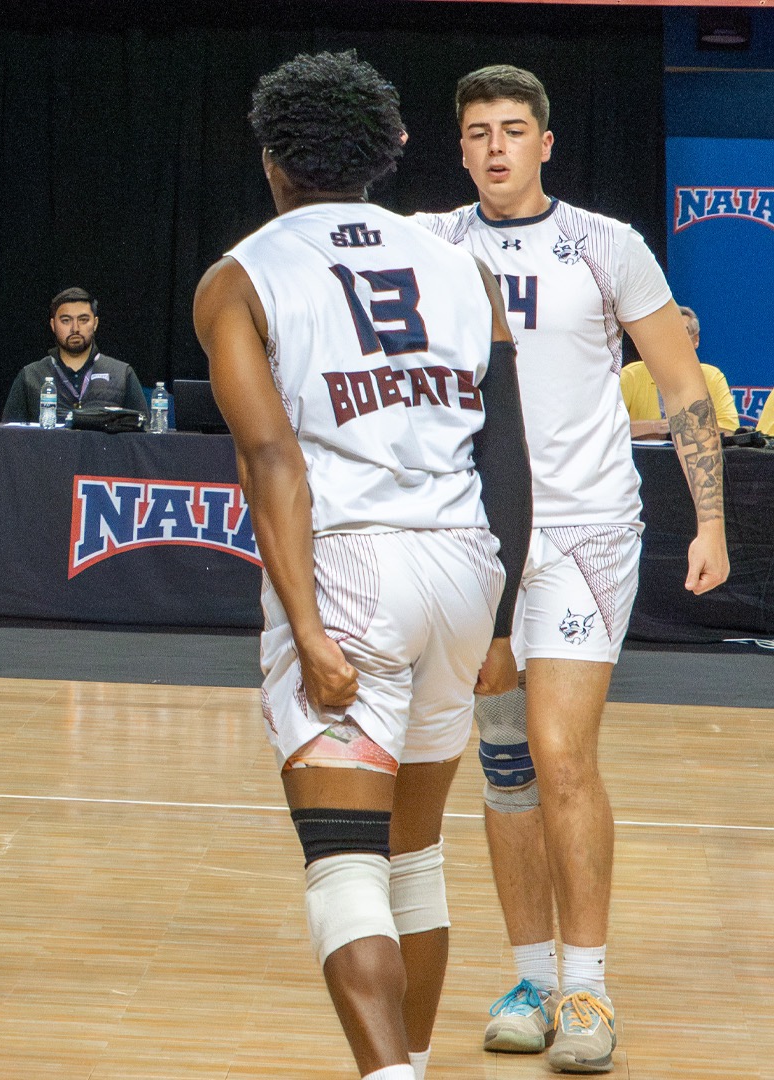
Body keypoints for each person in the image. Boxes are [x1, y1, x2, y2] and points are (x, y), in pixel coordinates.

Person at [197, 52, 533, 1080]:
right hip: (465, 564)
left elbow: (271, 462)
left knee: (345, 865)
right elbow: (507, 454)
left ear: (271, 162)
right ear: (388, 151)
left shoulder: (242, 276)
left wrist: (306, 629)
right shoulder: (460, 265)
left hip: (348, 567)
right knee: (416, 856)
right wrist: (504, 626)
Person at [414, 64, 729, 1073]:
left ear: (546, 143)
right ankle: (533, 981)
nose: (497, 145)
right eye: (478, 132)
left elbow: (682, 390)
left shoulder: (606, 247)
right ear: (459, 148)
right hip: (477, 534)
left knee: (561, 752)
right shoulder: (430, 245)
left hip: (588, 531)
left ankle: (589, 989)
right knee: (503, 758)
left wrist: (709, 523)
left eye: (514, 128)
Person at [0, 287, 148, 422]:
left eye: (83, 320)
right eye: (66, 320)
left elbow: (143, 436)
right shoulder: (31, 376)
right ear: (53, 325)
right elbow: (10, 438)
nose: (75, 328)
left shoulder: (121, 374)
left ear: (95, 324)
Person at [619, 306, 739, 436]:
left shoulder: (712, 377)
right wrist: (656, 427)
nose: (672, 341)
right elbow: (609, 427)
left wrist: (681, 428)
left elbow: (728, 430)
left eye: (681, 333)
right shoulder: (631, 375)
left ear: (696, 340)